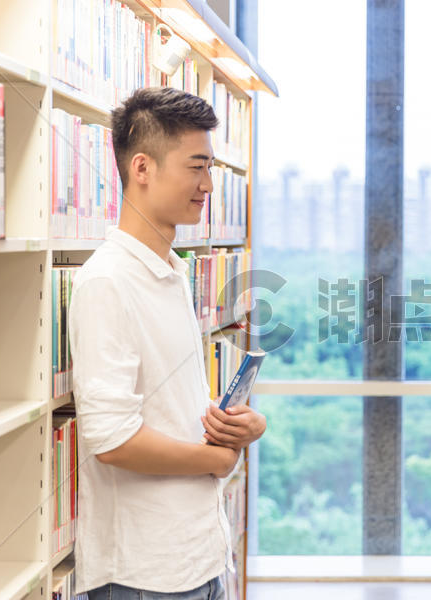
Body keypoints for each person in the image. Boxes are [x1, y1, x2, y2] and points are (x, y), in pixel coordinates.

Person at [68, 87, 267, 599]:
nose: (207, 185)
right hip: (143, 575)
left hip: (196, 556)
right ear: (142, 168)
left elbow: (170, 405)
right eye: (195, 167)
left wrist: (233, 426)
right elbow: (110, 438)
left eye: (211, 169)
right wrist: (214, 460)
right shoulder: (107, 282)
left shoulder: (174, 273)